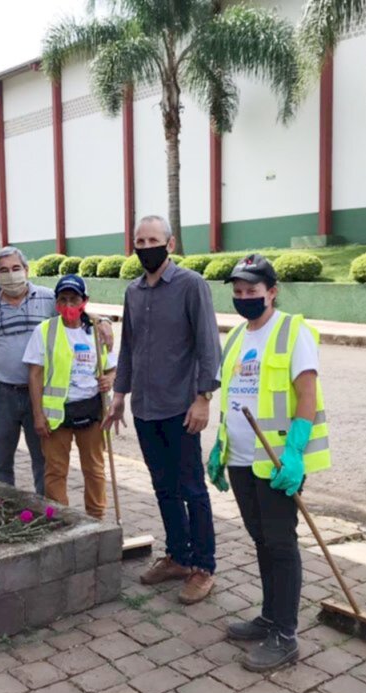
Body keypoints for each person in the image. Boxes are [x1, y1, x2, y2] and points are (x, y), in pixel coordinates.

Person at [206, 254, 331, 672]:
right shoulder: (237, 336)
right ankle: (269, 616)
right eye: (238, 292)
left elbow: (307, 395)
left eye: (252, 291)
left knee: (280, 544)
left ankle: (286, 634)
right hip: (243, 459)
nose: (244, 298)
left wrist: (295, 451)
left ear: (271, 291)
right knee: (261, 540)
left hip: (277, 461)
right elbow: (235, 398)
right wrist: (219, 449)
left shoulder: (294, 331)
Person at [104, 215, 222, 605]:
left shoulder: (191, 285)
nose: (146, 246)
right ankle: (178, 557)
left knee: (191, 488)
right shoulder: (133, 291)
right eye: (139, 241)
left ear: (170, 245)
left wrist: (203, 398)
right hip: (146, 409)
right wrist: (120, 394)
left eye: (153, 239)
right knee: (163, 487)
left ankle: (203, 567)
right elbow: (130, 347)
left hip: (181, 408)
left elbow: (208, 344)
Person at [0, 247, 113, 496]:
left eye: (16, 268)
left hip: (41, 394)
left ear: (26, 270)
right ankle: (5, 510)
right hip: (2, 392)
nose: (11, 275)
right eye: (4, 270)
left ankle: (44, 516)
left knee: (45, 462)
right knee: (0, 459)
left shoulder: (48, 298)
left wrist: (102, 321)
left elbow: (76, 312)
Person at [25, 275, 115, 519]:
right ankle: (61, 521)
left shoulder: (98, 332)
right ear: (56, 303)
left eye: (74, 299)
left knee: (95, 469)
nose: (68, 305)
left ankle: (96, 519)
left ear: (84, 301)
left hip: (92, 411)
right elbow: (35, 375)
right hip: (57, 415)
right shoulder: (45, 331)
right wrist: (37, 414)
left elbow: (112, 367)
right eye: (62, 299)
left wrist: (110, 378)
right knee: (55, 471)